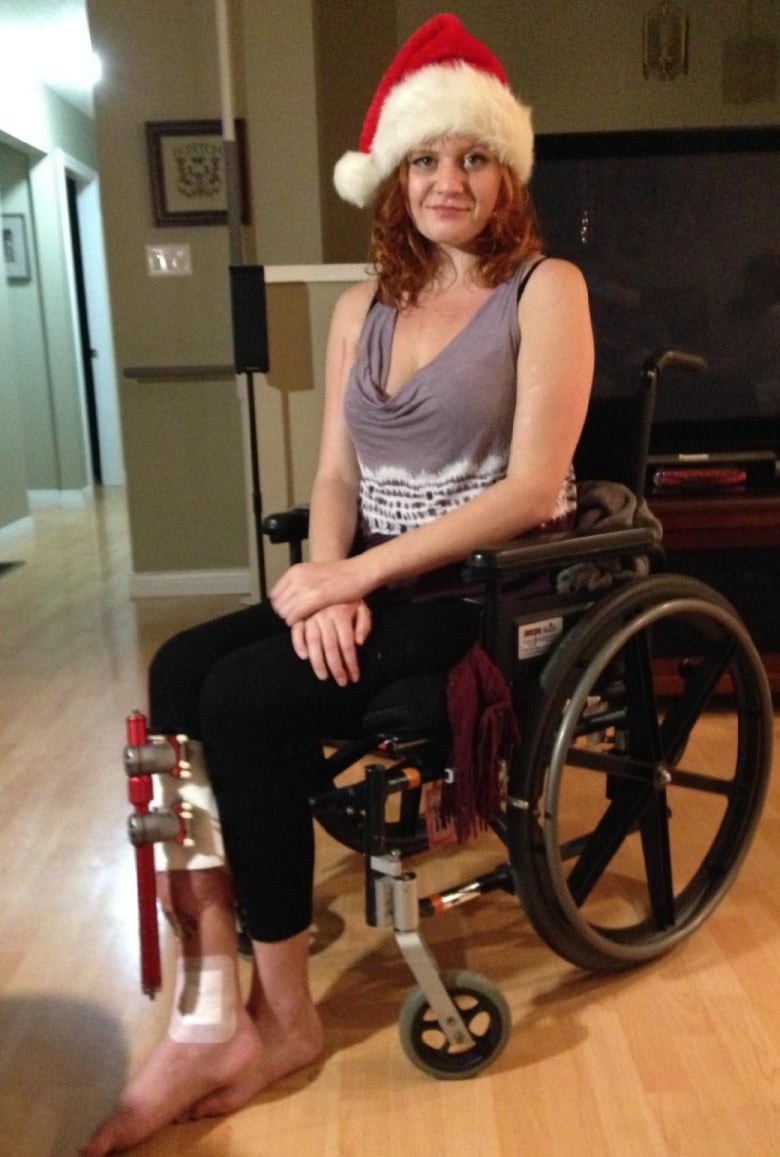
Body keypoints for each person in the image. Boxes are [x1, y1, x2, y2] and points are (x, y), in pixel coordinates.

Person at [82, 13, 593, 1155]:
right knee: (179, 668)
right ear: (393, 179)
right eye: (424, 158)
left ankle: (290, 1022)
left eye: (470, 155)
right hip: (368, 573)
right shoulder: (363, 306)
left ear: (505, 171)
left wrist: (360, 572)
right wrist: (326, 576)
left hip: (474, 592)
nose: (446, 179)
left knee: (246, 701)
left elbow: (530, 490)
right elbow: (332, 471)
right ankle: (217, 985)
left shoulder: (545, 291)